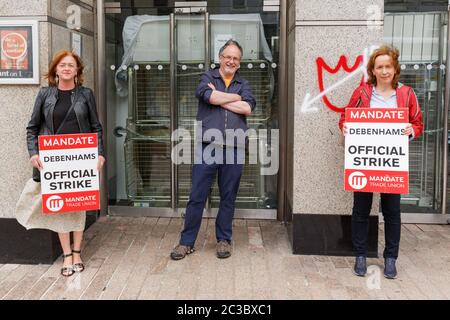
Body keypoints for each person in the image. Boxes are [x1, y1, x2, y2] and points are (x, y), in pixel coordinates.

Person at [339, 45, 423, 279]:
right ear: (373, 70)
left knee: (392, 212)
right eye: (379, 67)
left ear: (395, 68)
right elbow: (345, 116)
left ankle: (390, 258)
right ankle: (360, 255)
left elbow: (418, 123)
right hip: (365, 162)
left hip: (391, 164)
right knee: (361, 210)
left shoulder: (406, 94)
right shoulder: (363, 92)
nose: (384, 71)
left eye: (388, 66)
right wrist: (345, 127)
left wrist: (410, 130)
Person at [170, 39, 256, 260]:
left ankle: (224, 240)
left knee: (228, 196)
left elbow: (247, 108)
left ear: (240, 62)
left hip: (235, 147)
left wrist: (222, 100)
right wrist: (233, 99)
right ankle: (186, 242)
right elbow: (207, 95)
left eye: (236, 58)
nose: (231, 61)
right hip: (207, 146)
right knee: (197, 196)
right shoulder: (207, 78)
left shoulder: (244, 83)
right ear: (220, 58)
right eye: (228, 56)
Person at [25, 50, 105, 277]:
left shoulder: (86, 95)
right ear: (55, 70)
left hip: (80, 160)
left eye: (71, 65)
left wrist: (99, 154)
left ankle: (78, 252)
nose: (67, 68)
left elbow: (95, 127)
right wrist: (33, 153)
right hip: (54, 162)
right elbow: (32, 128)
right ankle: (67, 255)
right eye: (62, 65)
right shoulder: (44, 95)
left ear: (77, 70)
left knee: (79, 207)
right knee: (60, 208)